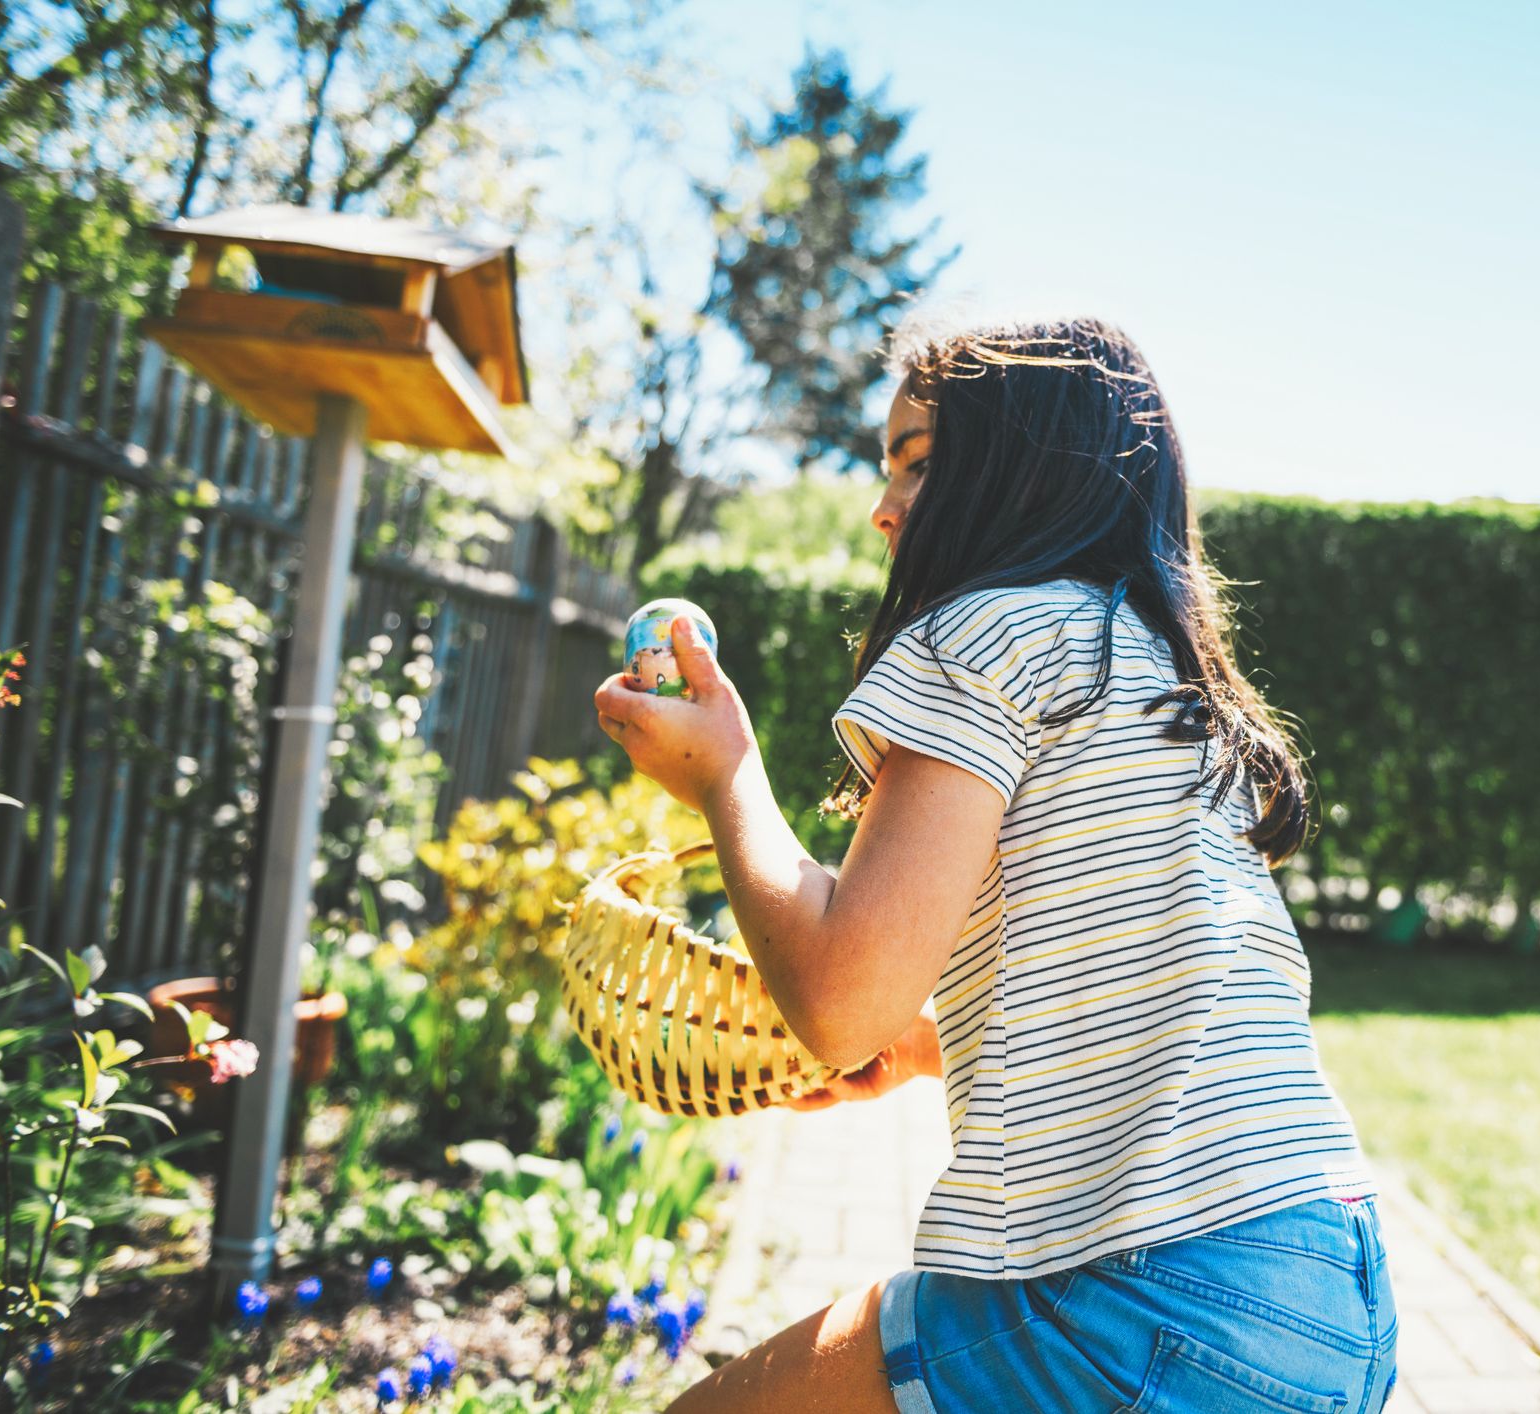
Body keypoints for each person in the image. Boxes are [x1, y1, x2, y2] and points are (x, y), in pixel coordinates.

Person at [593, 316, 1398, 1413]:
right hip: (1330, 1275)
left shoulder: (985, 637)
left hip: (1149, 1296)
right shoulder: (1156, 676)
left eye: (918, 463)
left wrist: (725, 775)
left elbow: (839, 1003)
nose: (883, 506)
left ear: (1027, 471)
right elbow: (1130, 965)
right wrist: (927, 1049)